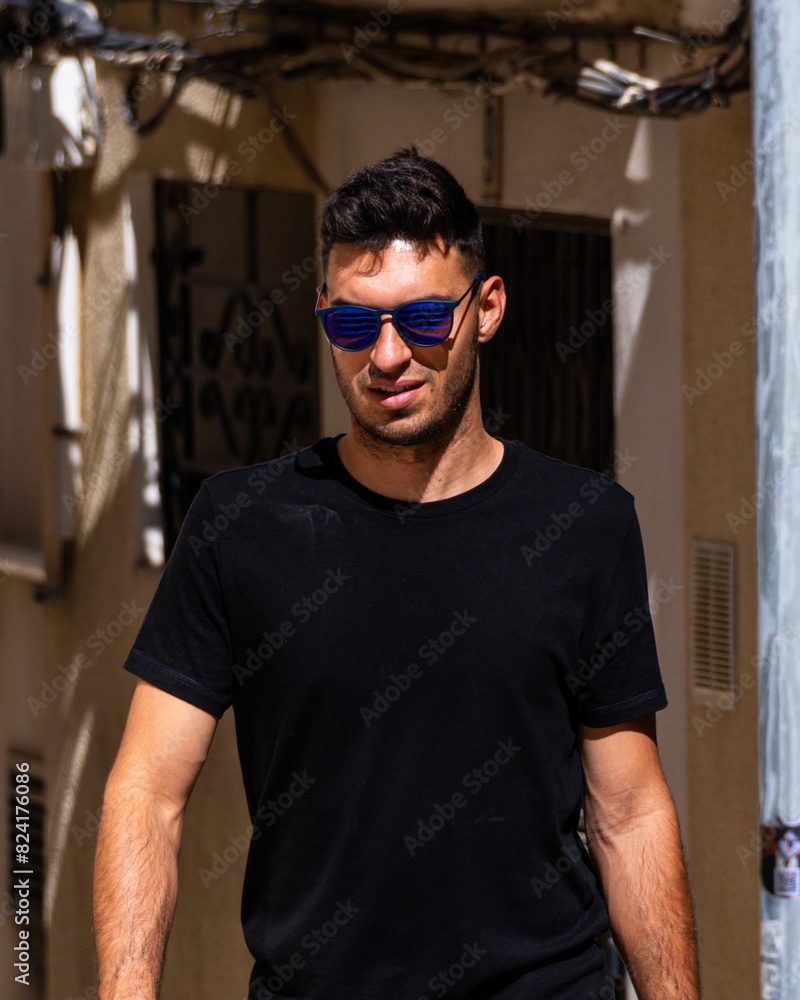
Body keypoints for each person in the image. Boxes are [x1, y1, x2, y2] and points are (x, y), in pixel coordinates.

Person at [93, 147, 700, 1000]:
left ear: (487, 308)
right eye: (354, 324)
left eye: (422, 320)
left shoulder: (584, 527)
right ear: (323, 315)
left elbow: (629, 813)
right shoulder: (240, 524)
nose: (385, 355)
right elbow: (146, 791)